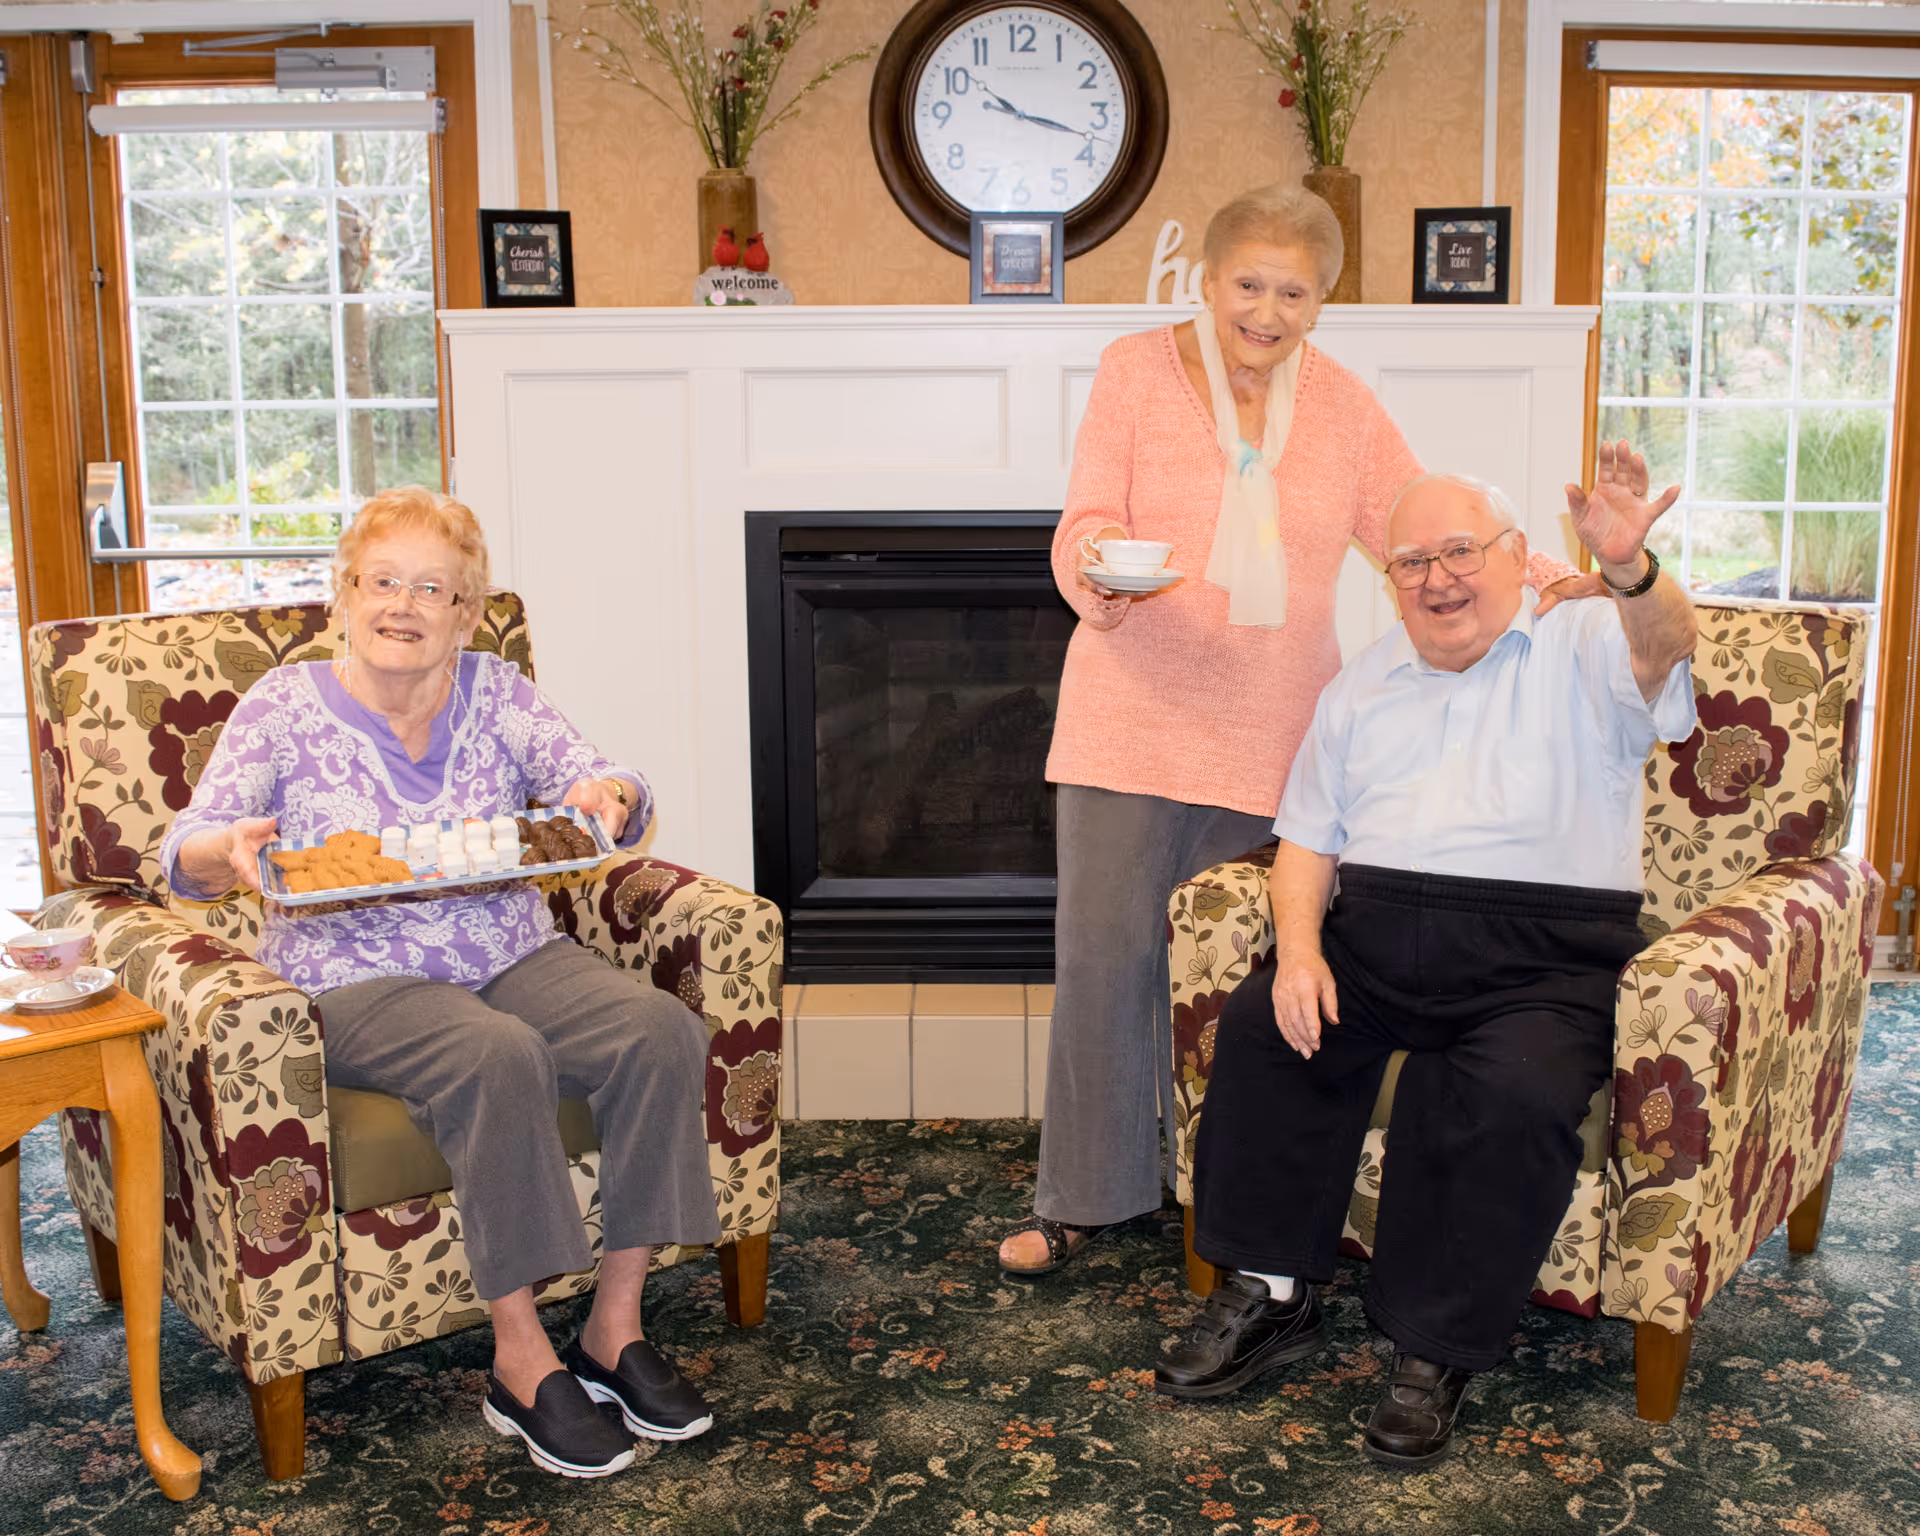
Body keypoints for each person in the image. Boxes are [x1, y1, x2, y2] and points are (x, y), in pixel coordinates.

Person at [998, 184, 1593, 1276]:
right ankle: (1082, 1198)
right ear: (1207, 281)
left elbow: (1426, 522)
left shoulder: (1348, 409)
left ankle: (1220, 1195)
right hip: (1129, 709)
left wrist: (1557, 576)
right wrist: (1094, 566)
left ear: (1322, 301)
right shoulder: (1135, 371)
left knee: (1244, 971)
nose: (1266, 311)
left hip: (1277, 729)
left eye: (1295, 292)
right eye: (1248, 285)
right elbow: (1085, 515)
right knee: (1106, 960)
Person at [1154, 445, 1698, 1469]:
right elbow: (1309, 836)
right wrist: (1304, 951)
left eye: (1461, 552)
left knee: (1511, 1094)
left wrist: (1631, 570)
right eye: (1411, 562)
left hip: (1543, 957)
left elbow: (1668, 647)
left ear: (1518, 555)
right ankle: (1273, 1292)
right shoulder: (1364, 684)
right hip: (1374, 938)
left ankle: (1429, 1349)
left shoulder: (1586, 638)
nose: (1438, 579)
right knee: (1269, 1030)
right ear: (1387, 578)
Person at [161, 487, 719, 1480]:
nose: (404, 605)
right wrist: (228, 849)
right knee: (494, 1052)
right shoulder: (284, 709)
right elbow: (185, 852)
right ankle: (519, 1358)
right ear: (346, 593)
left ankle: (614, 1327)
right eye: (384, 581)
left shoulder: (495, 692)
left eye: (434, 588)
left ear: (466, 613)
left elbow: (603, 783)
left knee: (659, 1031)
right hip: (356, 971)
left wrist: (611, 793)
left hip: (509, 950)